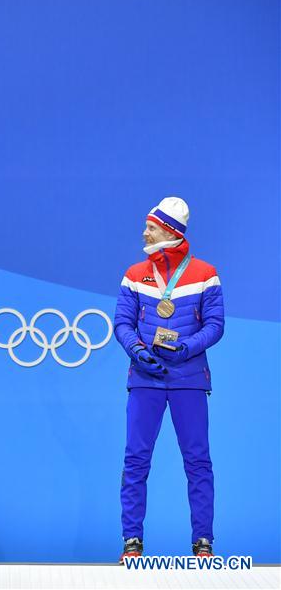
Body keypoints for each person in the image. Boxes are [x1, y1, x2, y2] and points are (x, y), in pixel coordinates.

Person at [113, 197, 224, 560]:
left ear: (169, 230)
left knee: (197, 461)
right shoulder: (134, 274)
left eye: (151, 226)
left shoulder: (205, 273)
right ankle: (132, 543)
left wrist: (187, 347)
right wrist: (139, 352)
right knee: (136, 460)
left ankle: (203, 544)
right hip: (145, 379)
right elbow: (122, 324)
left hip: (189, 379)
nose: (144, 231)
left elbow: (215, 325)